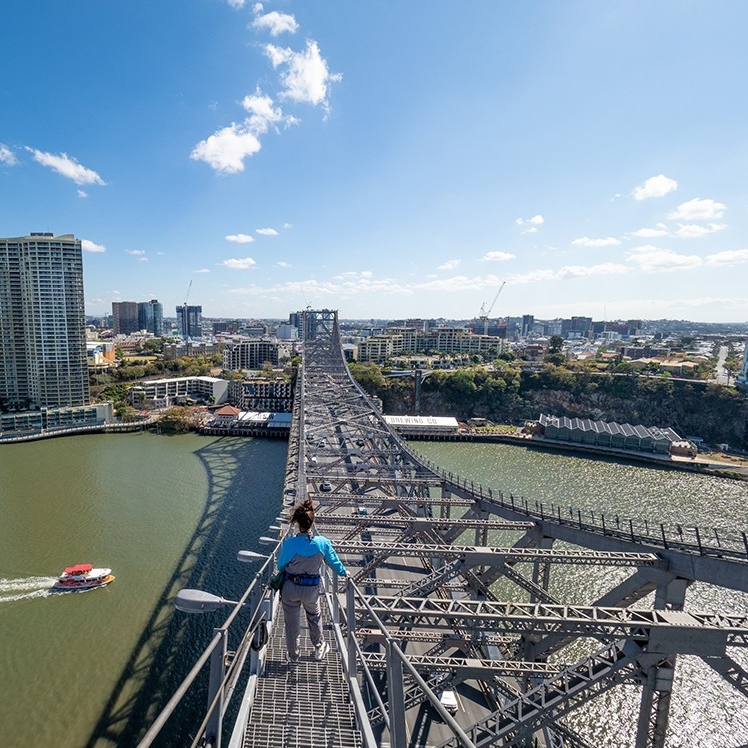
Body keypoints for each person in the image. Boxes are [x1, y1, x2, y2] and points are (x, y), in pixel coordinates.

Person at [276, 499, 347, 663]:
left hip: (291, 588)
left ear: (297, 524)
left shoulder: (290, 543)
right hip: (311, 589)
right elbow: (335, 563)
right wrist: (344, 572)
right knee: (314, 617)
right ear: (311, 523)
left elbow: (280, 565)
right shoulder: (322, 543)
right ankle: (319, 647)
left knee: (292, 623)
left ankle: (293, 656)